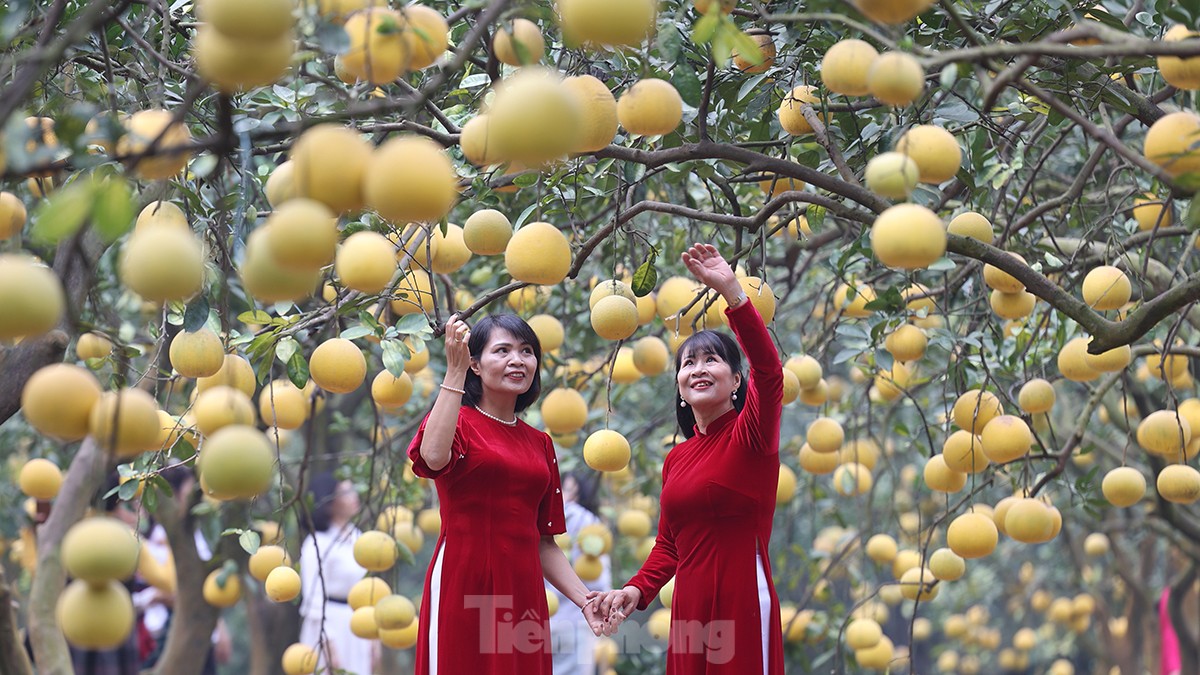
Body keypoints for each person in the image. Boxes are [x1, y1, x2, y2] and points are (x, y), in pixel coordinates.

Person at [592, 244, 785, 674]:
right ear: (680, 386)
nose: (698, 368)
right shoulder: (676, 459)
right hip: (689, 606)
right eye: (688, 362)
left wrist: (733, 294)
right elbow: (669, 546)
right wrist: (635, 590)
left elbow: (771, 374)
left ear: (736, 380)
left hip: (740, 597)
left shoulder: (751, 436)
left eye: (711, 360)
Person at [406, 313, 604, 674]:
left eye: (527, 351)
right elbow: (432, 459)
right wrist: (454, 371)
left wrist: (583, 599)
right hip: (465, 578)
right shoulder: (459, 421)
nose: (518, 360)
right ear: (476, 366)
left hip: (523, 589)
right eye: (503, 350)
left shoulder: (540, 443)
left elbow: (544, 541)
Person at [298, 472, 377, 675]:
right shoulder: (318, 543)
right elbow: (312, 600)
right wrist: (329, 646)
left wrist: (374, 638)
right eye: (346, 492)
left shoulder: (358, 538)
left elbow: (370, 589)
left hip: (357, 626)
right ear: (330, 502)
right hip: (328, 627)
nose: (354, 496)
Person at [549, 472, 612, 674]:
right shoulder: (591, 525)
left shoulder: (541, 519)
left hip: (535, 620)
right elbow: (601, 581)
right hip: (576, 621)